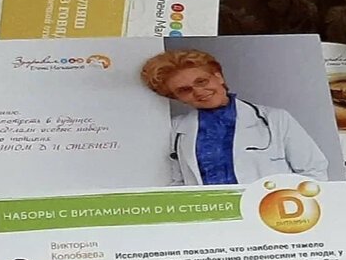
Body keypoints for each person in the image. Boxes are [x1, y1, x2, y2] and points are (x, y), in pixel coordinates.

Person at [140, 49, 331, 186]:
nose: (198, 91)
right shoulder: (176, 130)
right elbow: (178, 182)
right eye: (184, 90)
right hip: (210, 218)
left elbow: (314, 172)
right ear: (176, 97)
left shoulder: (275, 119)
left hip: (271, 214)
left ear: (218, 77)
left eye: (202, 81)